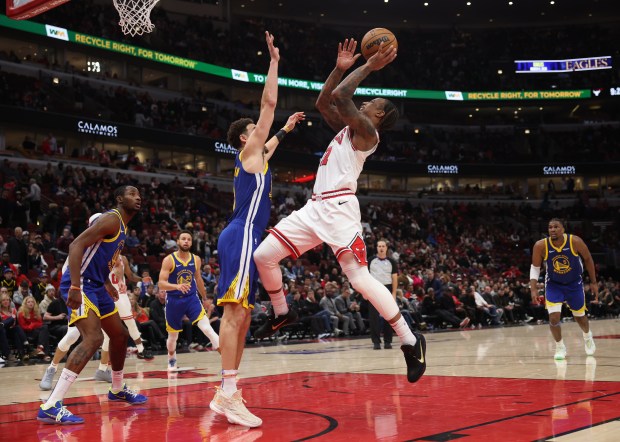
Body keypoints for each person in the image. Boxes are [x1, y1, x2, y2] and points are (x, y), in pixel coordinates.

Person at [253, 38, 426, 384]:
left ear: (378, 115)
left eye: (372, 103)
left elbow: (341, 97)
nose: (366, 102)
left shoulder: (367, 131)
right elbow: (324, 100)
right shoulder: (349, 128)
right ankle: (283, 313)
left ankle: (409, 340)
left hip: (340, 208)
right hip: (315, 207)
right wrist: (339, 68)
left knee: (360, 281)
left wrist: (369, 67)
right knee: (263, 256)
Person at [209, 32, 304, 429]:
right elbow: (267, 102)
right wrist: (275, 62)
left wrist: (285, 128)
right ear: (246, 138)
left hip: (243, 235)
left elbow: (271, 146)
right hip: (241, 235)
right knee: (234, 316)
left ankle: (228, 391)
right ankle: (227, 394)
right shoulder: (248, 152)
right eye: (258, 132)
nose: (262, 136)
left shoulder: (255, 157)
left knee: (243, 316)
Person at [36, 185, 147, 425]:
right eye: (131, 193)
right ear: (119, 198)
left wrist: (107, 282)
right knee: (94, 338)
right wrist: (75, 286)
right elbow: (76, 246)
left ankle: (117, 388)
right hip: (82, 284)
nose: (137, 197)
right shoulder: (111, 220)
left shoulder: (123, 228)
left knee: (119, 335)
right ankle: (52, 404)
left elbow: (98, 257)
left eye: (139, 194)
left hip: (97, 285)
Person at [530, 218, 598, 360]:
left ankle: (587, 336)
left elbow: (588, 259)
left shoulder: (575, 241)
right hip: (554, 284)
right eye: (550, 227)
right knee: (554, 317)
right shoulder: (540, 245)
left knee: (580, 317)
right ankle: (560, 346)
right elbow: (535, 267)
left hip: (574, 283)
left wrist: (593, 282)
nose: (553, 230)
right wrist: (533, 289)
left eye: (556, 227)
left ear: (563, 229)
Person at [158, 230, 219, 372]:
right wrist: (177, 286)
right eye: (183, 239)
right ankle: (171, 359)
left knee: (207, 329)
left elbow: (198, 280)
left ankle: (228, 363)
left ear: (191, 243)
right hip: (173, 300)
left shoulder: (196, 259)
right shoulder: (169, 260)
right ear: (178, 242)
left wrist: (204, 298)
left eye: (189, 239)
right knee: (173, 337)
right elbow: (161, 284)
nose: (186, 241)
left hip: (191, 299)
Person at [368, 240, 398, 349]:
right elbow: (366, 277)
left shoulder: (392, 262)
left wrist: (394, 293)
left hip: (388, 288)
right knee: (374, 317)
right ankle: (376, 342)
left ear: (386, 248)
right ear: (376, 248)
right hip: (374, 289)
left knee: (388, 316)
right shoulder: (370, 260)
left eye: (383, 246)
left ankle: (388, 341)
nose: (381, 248)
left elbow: (394, 278)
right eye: (379, 246)